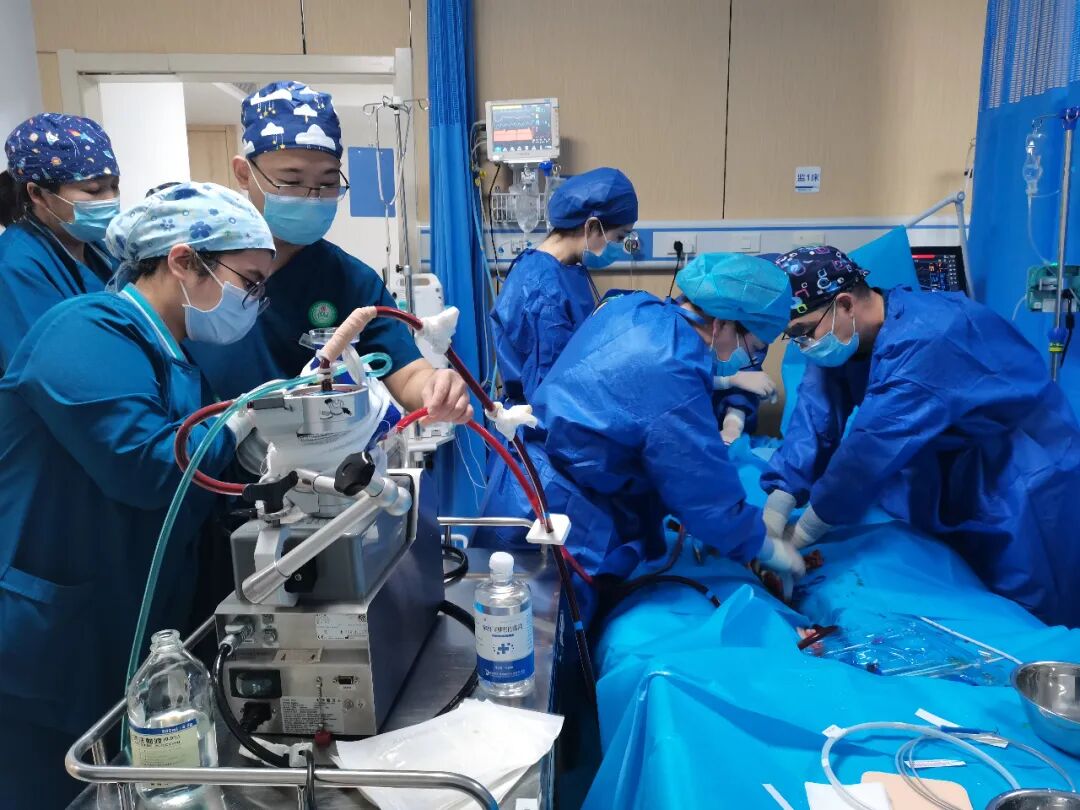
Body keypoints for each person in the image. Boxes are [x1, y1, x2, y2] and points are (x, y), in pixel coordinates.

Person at [0, 182, 277, 806]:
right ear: (183, 261)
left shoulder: (170, 354)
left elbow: (196, 479)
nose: (253, 301)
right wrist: (241, 419)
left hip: (125, 619)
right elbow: (148, 468)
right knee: (52, 789)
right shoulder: (84, 332)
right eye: (249, 281)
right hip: (53, 633)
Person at [476, 253, 807, 622]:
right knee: (531, 639)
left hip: (528, 483)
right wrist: (766, 548)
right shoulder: (671, 367)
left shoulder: (638, 307)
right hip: (559, 518)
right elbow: (702, 491)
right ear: (724, 324)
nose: (750, 359)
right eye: (754, 348)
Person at [761, 246, 1080, 627]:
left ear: (844, 303)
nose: (804, 344)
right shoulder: (844, 336)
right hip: (944, 465)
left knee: (1028, 608)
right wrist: (777, 506)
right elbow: (816, 414)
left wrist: (799, 537)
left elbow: (867, 454)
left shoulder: (930, 335)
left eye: (803, 332)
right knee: (957, 583)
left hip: (1021, 473)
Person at [189, 81, 471, 424]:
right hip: (203, 449)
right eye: (291, 181)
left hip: (317, 456)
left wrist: (437, 387)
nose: (312, 197)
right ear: (244, 174)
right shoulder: (195, 269)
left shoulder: (350, 281)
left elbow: (409, 374)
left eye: (327, 183)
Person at [490, 167, 638, 406]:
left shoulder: (565, 269)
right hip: (543, 424)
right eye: (620, 237)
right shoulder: (541, 289)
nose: (620, 246)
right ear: (592, 227)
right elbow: (552, 392)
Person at [0, 113, 121, 372]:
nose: (110, 199)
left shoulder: (100, 249)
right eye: (94, 190)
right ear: (37, 193)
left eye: (114, 186)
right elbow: (45, 372)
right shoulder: (13, 266)